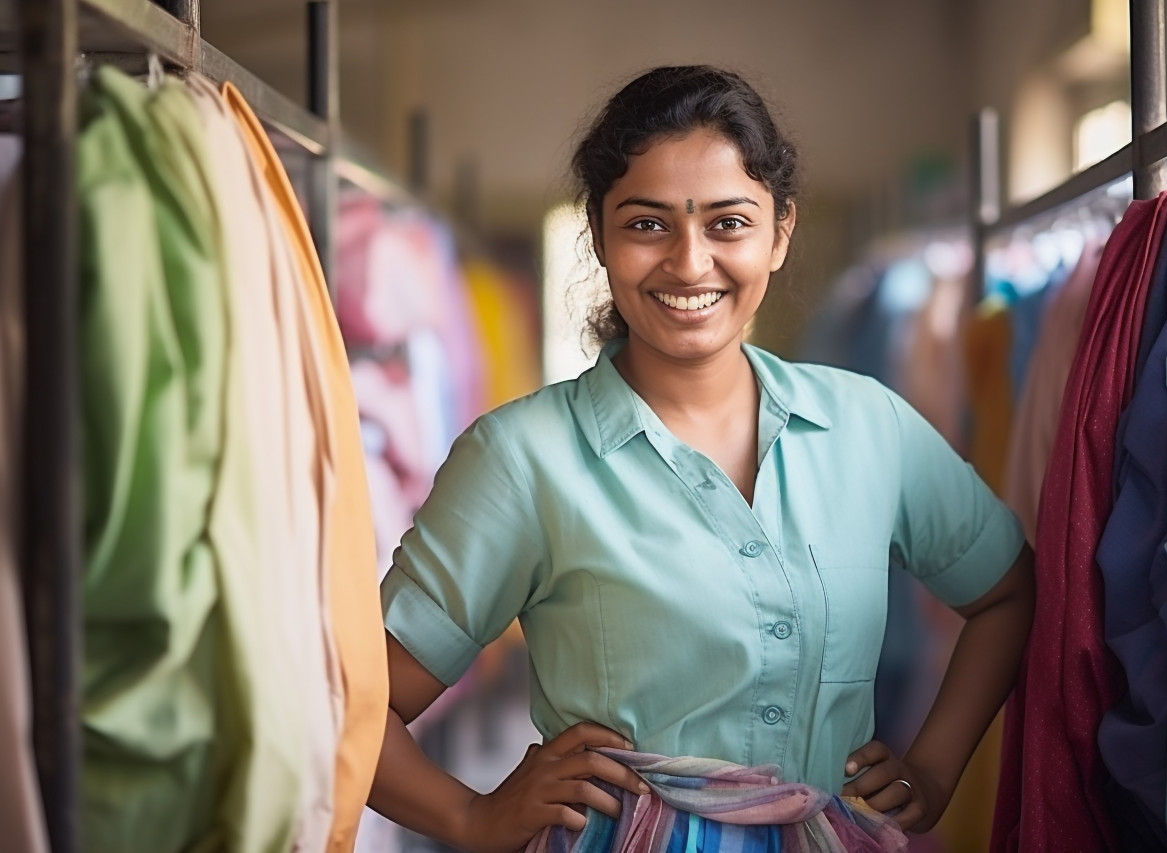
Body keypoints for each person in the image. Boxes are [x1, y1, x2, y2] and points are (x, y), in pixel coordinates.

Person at [368, 65, 1035, 853]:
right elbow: (357, 701)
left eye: (728, 222)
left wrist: (934, 766)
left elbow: (1005, 591)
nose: (689, 263)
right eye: (648, 224)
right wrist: (469, 816)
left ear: (780, 231)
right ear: (600, 237)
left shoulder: (869, 425)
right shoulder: (523, 458)